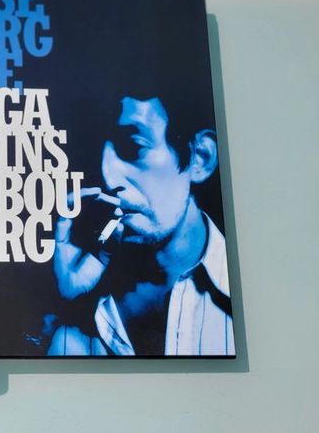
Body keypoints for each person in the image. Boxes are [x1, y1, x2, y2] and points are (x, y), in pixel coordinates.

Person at [48, 94, 234, 356]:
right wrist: (55, 310)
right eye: (92, 149)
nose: (107, 175)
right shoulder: (77, 288)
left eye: (134, 146)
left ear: (200, 157)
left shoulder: (246, 296)